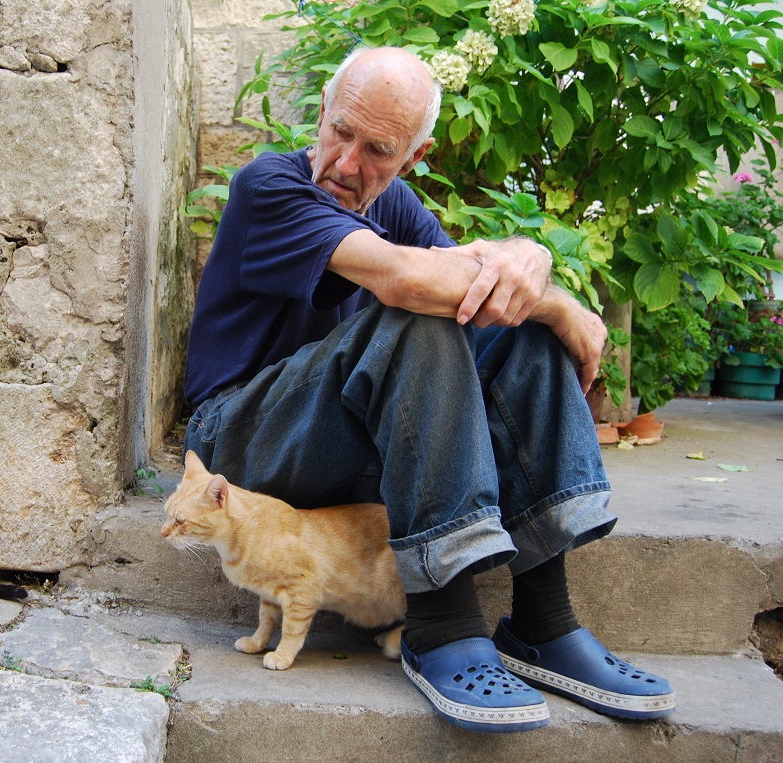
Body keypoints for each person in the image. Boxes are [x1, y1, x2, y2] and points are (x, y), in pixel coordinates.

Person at [183, 46, 674, 733]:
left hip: (345, 451)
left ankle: (544, 619)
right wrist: (558, 298)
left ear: (414, 157)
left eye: (378, 149)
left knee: (512, 330)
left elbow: (480, 296)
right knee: (428, 310)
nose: (346, 163)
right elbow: (409, 282)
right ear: (322, 112)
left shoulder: (400, 206)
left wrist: (531, 266)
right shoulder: (271, 186)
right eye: (340, 131)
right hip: (237, 447)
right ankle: (441, 622)